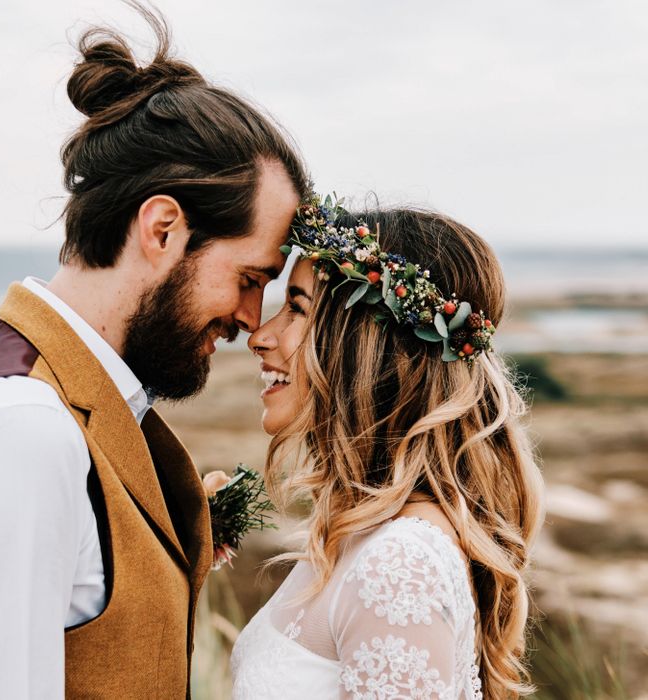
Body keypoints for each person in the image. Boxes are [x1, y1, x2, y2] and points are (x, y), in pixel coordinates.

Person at [0, 5, 306, 698]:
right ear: (163, 229)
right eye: (249, 280)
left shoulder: (78, 402)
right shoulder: (19, 430)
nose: (248, 319)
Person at [232, 200, 545, 699]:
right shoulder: (357, 534)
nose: (260, 336)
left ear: (364, 346)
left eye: (296, 308)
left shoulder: (399, 563)